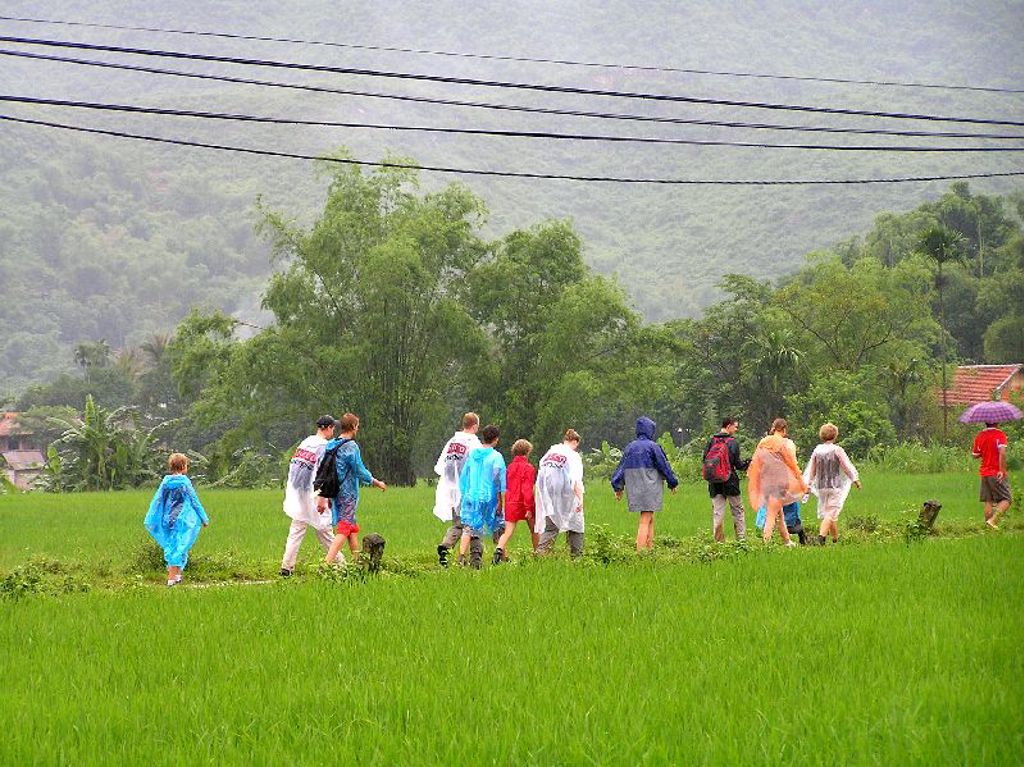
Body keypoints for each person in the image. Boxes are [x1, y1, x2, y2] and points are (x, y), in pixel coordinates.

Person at [324, 413, 387, 565]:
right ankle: (326, 564)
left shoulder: (331, 444)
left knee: (351, 529)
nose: (358, 429)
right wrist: (376, 482)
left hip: (334, 492)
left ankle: (357, 562)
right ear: (353, 427)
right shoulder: (351, 447)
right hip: (347, 494)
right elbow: (360, 470)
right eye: (357, 426)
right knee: (344, 529)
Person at [279, 415, 338, 576]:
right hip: (314, 492)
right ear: (327, 427)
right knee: (325, 529)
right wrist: (323, 497)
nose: (334, 431)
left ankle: (287, 566)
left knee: (297, 527)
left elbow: (295, 467)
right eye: (333, 427)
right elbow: (325, 474)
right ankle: (341, 565)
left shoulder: (306, 442)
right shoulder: (324, 447)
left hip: (298, 491)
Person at [611, 417, 678, 551]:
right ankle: (640, 552)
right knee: (645, 519)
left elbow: (621, 468)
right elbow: (664, 466)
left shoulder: (630, 447)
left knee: (649, 517)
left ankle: (649, 548)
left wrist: (618, 486)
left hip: (634, 487)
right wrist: (673, 482)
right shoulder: (653, 447)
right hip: (650, 486)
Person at [144, 453, 209, 587]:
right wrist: (204, 518)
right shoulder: (185, 482)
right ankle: (171, 579)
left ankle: (177, 575)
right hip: (182, 520)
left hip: (167, 519)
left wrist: (153, 517)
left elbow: (157, 500)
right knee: (178, 547)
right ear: (184, 467)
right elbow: (194, 501)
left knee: (173, 546)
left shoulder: (165, 482)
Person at [747, 418, 807, 547]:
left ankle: (787, 541)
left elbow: (755, 461)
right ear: (784, 429)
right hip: (780, 483)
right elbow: (792, 464)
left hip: (765, 482)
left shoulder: (763, 442)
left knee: (779, 513)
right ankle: (766, 543)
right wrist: (801, 482)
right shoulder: (784, 444)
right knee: (771, 515)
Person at [432, 412, 482, 567]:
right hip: (469, 490)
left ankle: (446, 546)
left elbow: (442, 466)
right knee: (474, 525)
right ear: (474, 426)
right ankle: (475, 560)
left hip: (452, 490)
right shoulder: (474, 443)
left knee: (458, 524)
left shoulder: (452, 442)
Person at [456, 424, 506, 569]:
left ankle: (461, 556)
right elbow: (497, 480)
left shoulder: (473, 455)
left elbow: (465, 474)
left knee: (468, 527)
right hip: (487, 497)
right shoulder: (496, 457)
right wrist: (499, 500)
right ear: (496, 439)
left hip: (471, 496)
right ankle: (501, 556)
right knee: (498, 525)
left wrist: (466, 492)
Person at [803, 422, 861, 545]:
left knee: (830, 513)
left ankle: (835, 539)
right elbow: (846, 467)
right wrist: (855, 479)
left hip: (821, 487)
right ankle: (821, 537)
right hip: (835, 486)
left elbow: (812, 469)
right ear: (835, 436)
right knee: (830, 513)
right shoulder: (837, 450)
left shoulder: (817, 450)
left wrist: (808, 485)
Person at [535, 429, 586, 558]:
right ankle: (577, 556)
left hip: (549, 496)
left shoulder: (550, 453)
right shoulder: (573, 456)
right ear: (575, 442)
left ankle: (540, 554)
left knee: (551, 527)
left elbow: (541, 476)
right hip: (567, 495)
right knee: (576, 525)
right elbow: (576, 480)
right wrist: (580, 499)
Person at [702, 416, 751, 542]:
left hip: (714, 483)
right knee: (738, 511)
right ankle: (741, 540)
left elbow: (705, 461)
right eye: (735, 426)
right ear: (728, 426)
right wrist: (748, 463)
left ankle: (718, 542)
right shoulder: (732, 442)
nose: (736, 429)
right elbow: (738, 465)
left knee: (718, 512)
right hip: (730, 482)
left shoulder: (711, 441)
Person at [493, 439, 538, 564]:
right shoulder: (529, 468)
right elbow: (527, 489)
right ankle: (537, 555)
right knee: (535, 530)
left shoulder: (510, 467)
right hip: (524, 503)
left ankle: (498, 551)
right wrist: (529, 508)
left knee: (508, 532)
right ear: (527, 452)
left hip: (510, 502)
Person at [972, 421, 1012, 529]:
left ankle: (988, 529)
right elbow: (1002, 453)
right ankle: (993, 521)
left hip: (984, 473)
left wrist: (985, 451)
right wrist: (1002, 470)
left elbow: (975, 455)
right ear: (997, 421)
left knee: (988, 500)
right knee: (1007, 499)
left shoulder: (980, 435)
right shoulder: (1000, 434)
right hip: (996, 472)